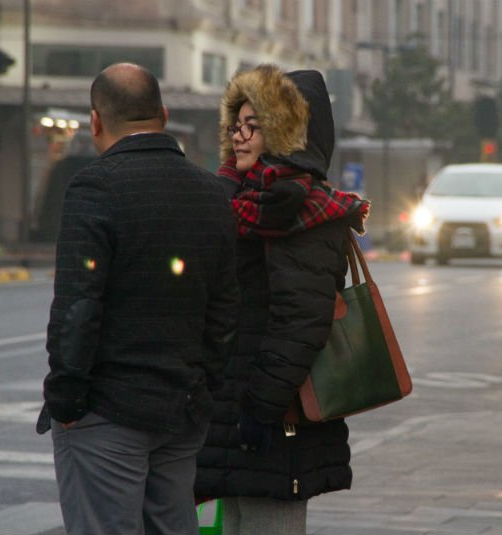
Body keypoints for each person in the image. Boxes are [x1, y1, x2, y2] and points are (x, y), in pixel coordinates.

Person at [36, 63, 238, 534]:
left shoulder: (95, 187)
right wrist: (201, 383)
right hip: (182, 410)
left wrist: (66, 400)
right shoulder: (212, 193)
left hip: (108, 412)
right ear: (164, 115)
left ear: (95, 121)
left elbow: (77, 305)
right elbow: (225, 307)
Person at [195, 64, 369, 534]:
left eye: (255, 126)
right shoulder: (239, 200)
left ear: (287, 132)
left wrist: (259, 410)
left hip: (274, 419)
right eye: (237, 125)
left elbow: (302, 321)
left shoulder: (306, 211)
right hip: (228, 412)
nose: (240, 136)